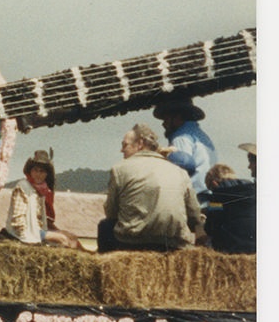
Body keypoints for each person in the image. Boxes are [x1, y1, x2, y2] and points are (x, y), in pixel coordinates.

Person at [97, 123, 205, 253]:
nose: (121, 150)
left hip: (132, 242)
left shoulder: (119, 169)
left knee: (105, 226)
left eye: (124, 145)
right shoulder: (180, 172)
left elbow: (111, 212)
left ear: (140, 143)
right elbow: (194, 214)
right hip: (172, 243)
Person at [0, 150, 82, 249]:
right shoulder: (23, 187)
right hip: (24, 234)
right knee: (63, 240)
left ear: (46, 174)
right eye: (35, 170)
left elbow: (42, 221)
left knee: (72, 238)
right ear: (30, 171)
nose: (38, 174)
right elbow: (17, 221)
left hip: (37, 231)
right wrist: (29, 239)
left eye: (42, 171)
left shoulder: (41, 191)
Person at [153, 95, 217, 205]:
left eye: (166, 119)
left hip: (194, 199)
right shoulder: (201, 136)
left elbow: (182, 169)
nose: (163, 124)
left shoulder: (181, 138)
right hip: (207, 198)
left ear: (178, 117)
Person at [203, 163, 256, 254]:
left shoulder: (217, 197)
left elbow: (210, 228)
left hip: (231, 247)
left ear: (214, 183)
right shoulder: (253, 189)